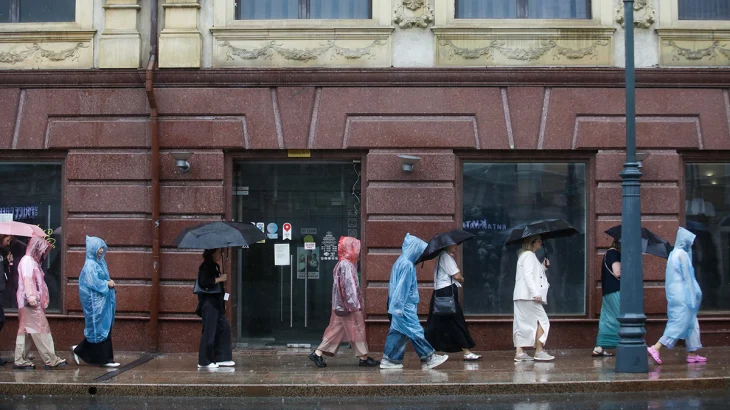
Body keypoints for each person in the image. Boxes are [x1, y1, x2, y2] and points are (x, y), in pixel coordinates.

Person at [309, 237, 379, 368]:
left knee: (336, 329)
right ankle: (363, 358)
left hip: (341, 305)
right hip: (349, 305)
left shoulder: (343, 263)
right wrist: (354, 305)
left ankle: (317, 353)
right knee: (357, 329)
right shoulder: (346, 265)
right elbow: (348, 287)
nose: (357, 251)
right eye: (355, 247)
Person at [380, 234, 448, 370]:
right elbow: (402, 288)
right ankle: (428, 357)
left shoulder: (401, 261)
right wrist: (399, 307)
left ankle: (390, 360)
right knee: (414, 330)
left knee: (399, 332)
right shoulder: (407, 265)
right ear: (415, 249)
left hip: (399, 305)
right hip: (404, 306)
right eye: (420, 251)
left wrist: (396, 307)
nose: (421, 254)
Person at [647, 227, 706, 365]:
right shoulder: (682, 254)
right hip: (684, 296)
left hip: (676, 295)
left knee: (692, 322)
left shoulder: (673, 254)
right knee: (680, 322)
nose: (691, 244)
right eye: (690, 241)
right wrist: (695, 294)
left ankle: (692, 353)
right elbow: (688, 277)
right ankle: (656, 347)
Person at [13, 236, 67, 370]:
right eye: (42, 249)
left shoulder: (30, 261)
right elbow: (27, 280)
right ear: (37, 248)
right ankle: (51, 359)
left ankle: (20, 360)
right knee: (41, 328)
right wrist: (32, 297)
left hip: (26, 302)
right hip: (30, 303)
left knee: (26, 331)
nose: (44, 253)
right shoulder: (28, 261)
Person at [424, 244, 480, 360]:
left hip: (441, 293)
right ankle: (467, 352)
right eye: (454, 244)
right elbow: (457, 276)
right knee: (457, 321)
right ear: (448, 245)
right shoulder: (446, 257)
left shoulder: (442, 256)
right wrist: (463, 278)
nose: (456, 246)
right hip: (446, 293)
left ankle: (426, 351)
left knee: (435, 323)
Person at [72, 236, 118, 367]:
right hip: (95, 303)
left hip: (102, 301)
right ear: (92, 248)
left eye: (102, 247)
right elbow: (93, 282)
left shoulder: (100, 262)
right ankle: (106, 360)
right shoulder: (90, 265)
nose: (101, 250)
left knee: (102, 329)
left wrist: (108, 282)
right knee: (101, 330)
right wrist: (107, 284)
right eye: (99, 248)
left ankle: (81, 350)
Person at [513, 235, 554, 362]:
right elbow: (528, 276)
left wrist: (543, 267)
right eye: (539, 241)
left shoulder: (525, 255)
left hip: (521, 295)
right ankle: (539, 351)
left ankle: (520, 352)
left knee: (522, 324)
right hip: (528, 296)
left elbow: (533, 274)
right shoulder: (529, 255)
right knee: (543, 321)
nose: (541, 242)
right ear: (532, 242)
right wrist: (535, 293)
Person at [196, 248, 234, 369]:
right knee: (209, 331)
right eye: (218, 252)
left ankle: (222, 357)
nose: (220, 254)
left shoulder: (215, 266)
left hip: (217, 303)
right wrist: (220, 279)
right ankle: (205, 361)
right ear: (212, 253)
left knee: (224, 327)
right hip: (209, 304)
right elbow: (204, 282)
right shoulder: (206, 266)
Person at [593, 240, 621, 357]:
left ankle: (599, 347)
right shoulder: (614, 253)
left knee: (607, 319)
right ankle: (624, 343)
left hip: (608, 291)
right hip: (616, 290)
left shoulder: (608, 253)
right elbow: (617, 272)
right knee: (620, 317)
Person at [0, 234, 12, 366]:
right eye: (7, 240)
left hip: (1, 290)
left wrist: (6, 261)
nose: (8, 243)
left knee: (1, 320)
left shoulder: (2, 252)